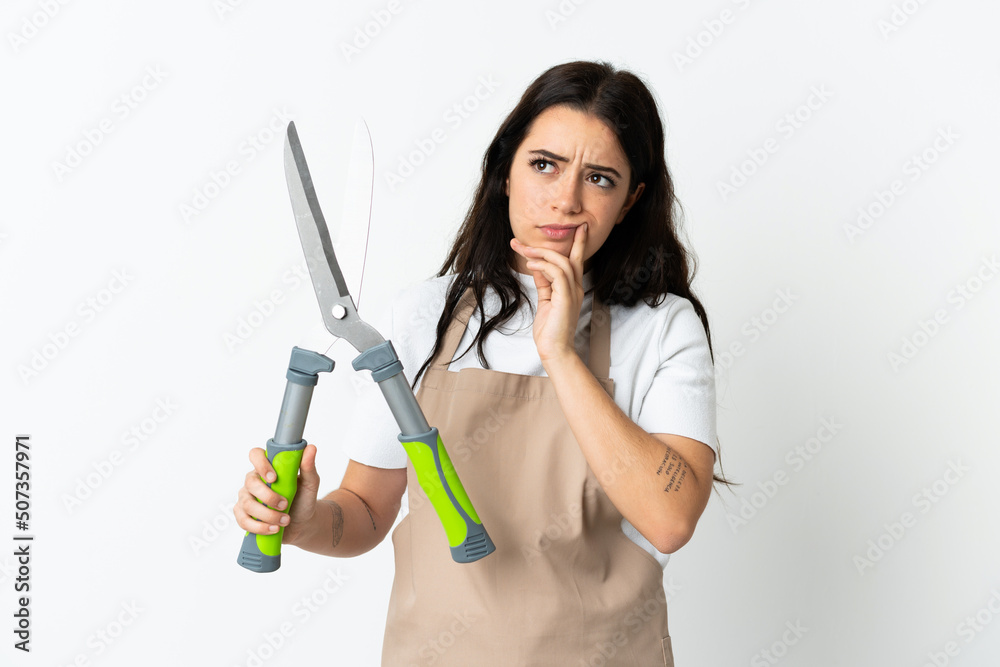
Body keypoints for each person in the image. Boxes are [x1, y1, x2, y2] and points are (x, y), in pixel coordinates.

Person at [234, 60, 726, 666]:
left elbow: (670, 519)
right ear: (504, 172)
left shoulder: (662, 327)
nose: (566, 199)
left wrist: (561, 356)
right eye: (543, 165)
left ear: (630, 201)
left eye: (599, 178)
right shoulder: (424, 317)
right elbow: (364, 511)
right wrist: (305, 523)